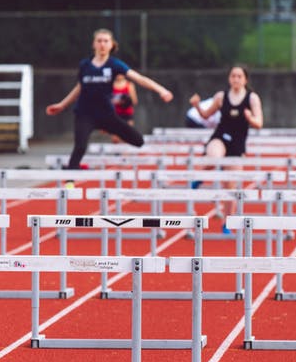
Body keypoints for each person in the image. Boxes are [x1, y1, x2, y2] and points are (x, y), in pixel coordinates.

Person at [47, 29, 173, 169]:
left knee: (138, 141)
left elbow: (139, 79)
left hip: (106, 114)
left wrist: (161, 90)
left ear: (111, 45)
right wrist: (62, 105)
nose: (102, 44)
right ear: (93, 44)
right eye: (99, 41)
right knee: (80, 147)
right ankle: (70, 182)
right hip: (85, 114)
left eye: (106, 41)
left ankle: (105, 128)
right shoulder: (85, 65)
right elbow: (79, 87)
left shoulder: (115, 64)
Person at [189, 65, 263, 231]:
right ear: (229, 78)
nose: (236, 79)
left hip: (237, 143)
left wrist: (250, 118)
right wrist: (197, 106)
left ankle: (227, 223)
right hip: (220, 136)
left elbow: (259, 123)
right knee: (214, 158)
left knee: (231, 186)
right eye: (233, 76)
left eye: (239, 76)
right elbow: (206, 115)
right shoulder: (221, 96)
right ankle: (199, 178)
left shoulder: (252, 98)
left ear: (245, 79)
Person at [109, 72, 137, 143]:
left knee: (127, 137)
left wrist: (125, 101)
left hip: (127, 115)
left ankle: (125, 153)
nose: (119, 75)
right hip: (115, 115)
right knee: (115, 139)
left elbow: (134, 101)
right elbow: (107, 100)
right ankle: (117, 153)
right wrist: (116, 101)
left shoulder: (129, 85)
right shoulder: (110, 85)